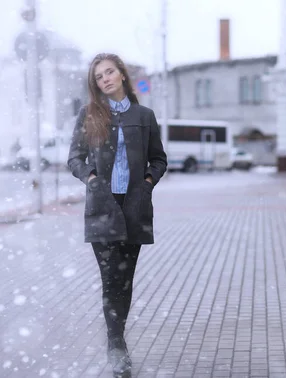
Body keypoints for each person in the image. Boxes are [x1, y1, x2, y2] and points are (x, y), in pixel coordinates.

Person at [67, 53, 167, 378]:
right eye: (99, 76)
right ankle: (117, 344)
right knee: (111, 281)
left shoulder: (144, 115)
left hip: (134, 206)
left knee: (125, 282)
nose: (105, 79)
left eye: (110, 72)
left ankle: (117, 339)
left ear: (122, 74)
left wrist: (147, 184)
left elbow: (159, 159)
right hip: (103, 208)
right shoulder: (89, 115)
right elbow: (75, 158)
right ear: (95, 84)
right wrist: (93, 180)